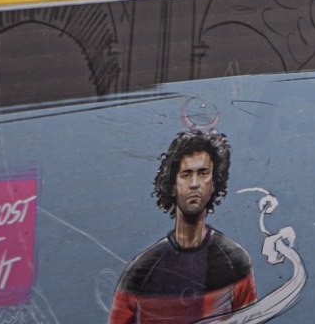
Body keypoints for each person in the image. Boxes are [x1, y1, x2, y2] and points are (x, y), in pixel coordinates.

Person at [107, 129, 258, 324]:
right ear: (172, 185)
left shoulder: (236, 263)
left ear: (214, 183)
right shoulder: (140, 272)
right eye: (186, 174)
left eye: (203, 173)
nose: (194, 184)